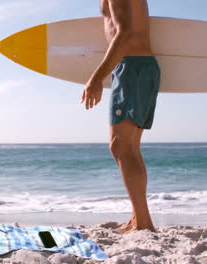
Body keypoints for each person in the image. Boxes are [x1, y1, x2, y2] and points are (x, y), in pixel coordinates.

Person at [81, 0, 160, 234]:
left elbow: (124, 32)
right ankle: (139, 219)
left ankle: (144, 223)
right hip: (132, 68)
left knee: (122, 146)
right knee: (126, 148)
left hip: (132, 67)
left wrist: (96, 78)